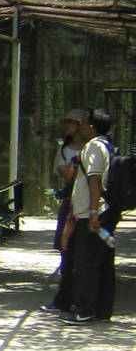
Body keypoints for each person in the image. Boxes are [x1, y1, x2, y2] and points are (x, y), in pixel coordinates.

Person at [60, 108, 118, 322]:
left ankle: (84, 309)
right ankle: (102, 310)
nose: (81, 126)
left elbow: (94, 179)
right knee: (102, 263)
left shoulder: (93, 146)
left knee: (85, 264)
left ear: (91, 126)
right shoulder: (107, 145)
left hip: (92, 214)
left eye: (84, 122)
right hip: (103, 212)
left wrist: (93, 213)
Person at [44, 109, 88, 313]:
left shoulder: (94, 147)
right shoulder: (64, 150)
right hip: (72, 201)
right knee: (66, 249)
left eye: (71, 122)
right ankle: (64, 299)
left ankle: (84, 301)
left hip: (90, 201)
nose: (67, 126)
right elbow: (67, 175)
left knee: (87, 254)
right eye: (66, 122)